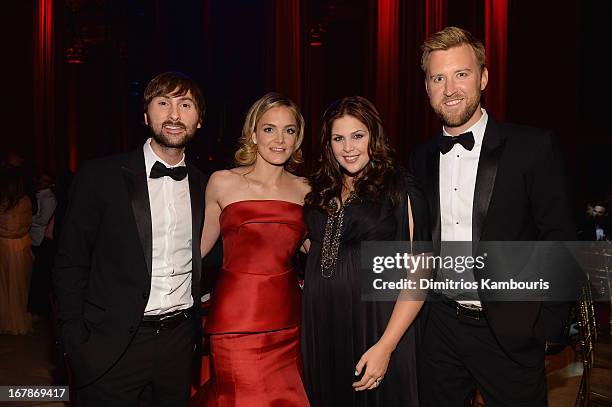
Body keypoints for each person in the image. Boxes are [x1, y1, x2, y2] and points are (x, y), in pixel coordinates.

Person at [409, 26, 577, 406]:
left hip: (509, 330)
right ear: (427, 86)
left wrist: (548, 327)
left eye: (461, 74)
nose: (450, 89)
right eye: (438, 78)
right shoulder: (419, 158)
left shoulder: (532, 147)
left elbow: (560, 238)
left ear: (484, 78)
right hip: (440, 328)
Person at [53, 71, 209, 405]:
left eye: (186, 104)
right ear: (145, 114)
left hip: (178, 348)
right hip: (110, 347)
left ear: (199, 120)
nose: (174, 114)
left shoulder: (205, 186)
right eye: (162, 102)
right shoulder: (99, 176)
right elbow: (69, 262)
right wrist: (74, 344)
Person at [301, 96, 430, 407]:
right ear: (328, 143)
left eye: (358, 136)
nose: (349, 147)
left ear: (374, 136)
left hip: (377, 327)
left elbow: (421, 273)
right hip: (323, 328)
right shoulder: (318, 191)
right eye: (338, 138)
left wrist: (386, 346)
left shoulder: (400, 188)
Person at [196, 92, 310, 406]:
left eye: (289, 130)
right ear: (253, 134)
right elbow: (197, 250)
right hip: (235, 322)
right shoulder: (222, 182)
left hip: (289, 325)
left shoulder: (306, 190)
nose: (280, 139)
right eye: (269, 128)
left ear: (297, 137)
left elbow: (321, 252)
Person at [0, 167, 34, 334]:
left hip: (5, 247)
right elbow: (27, 224)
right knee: (20, 287)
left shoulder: (3, 202)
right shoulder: (26, 200)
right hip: (22, 246)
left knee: (5, 287)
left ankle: (5, 322)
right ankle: (17, 321)